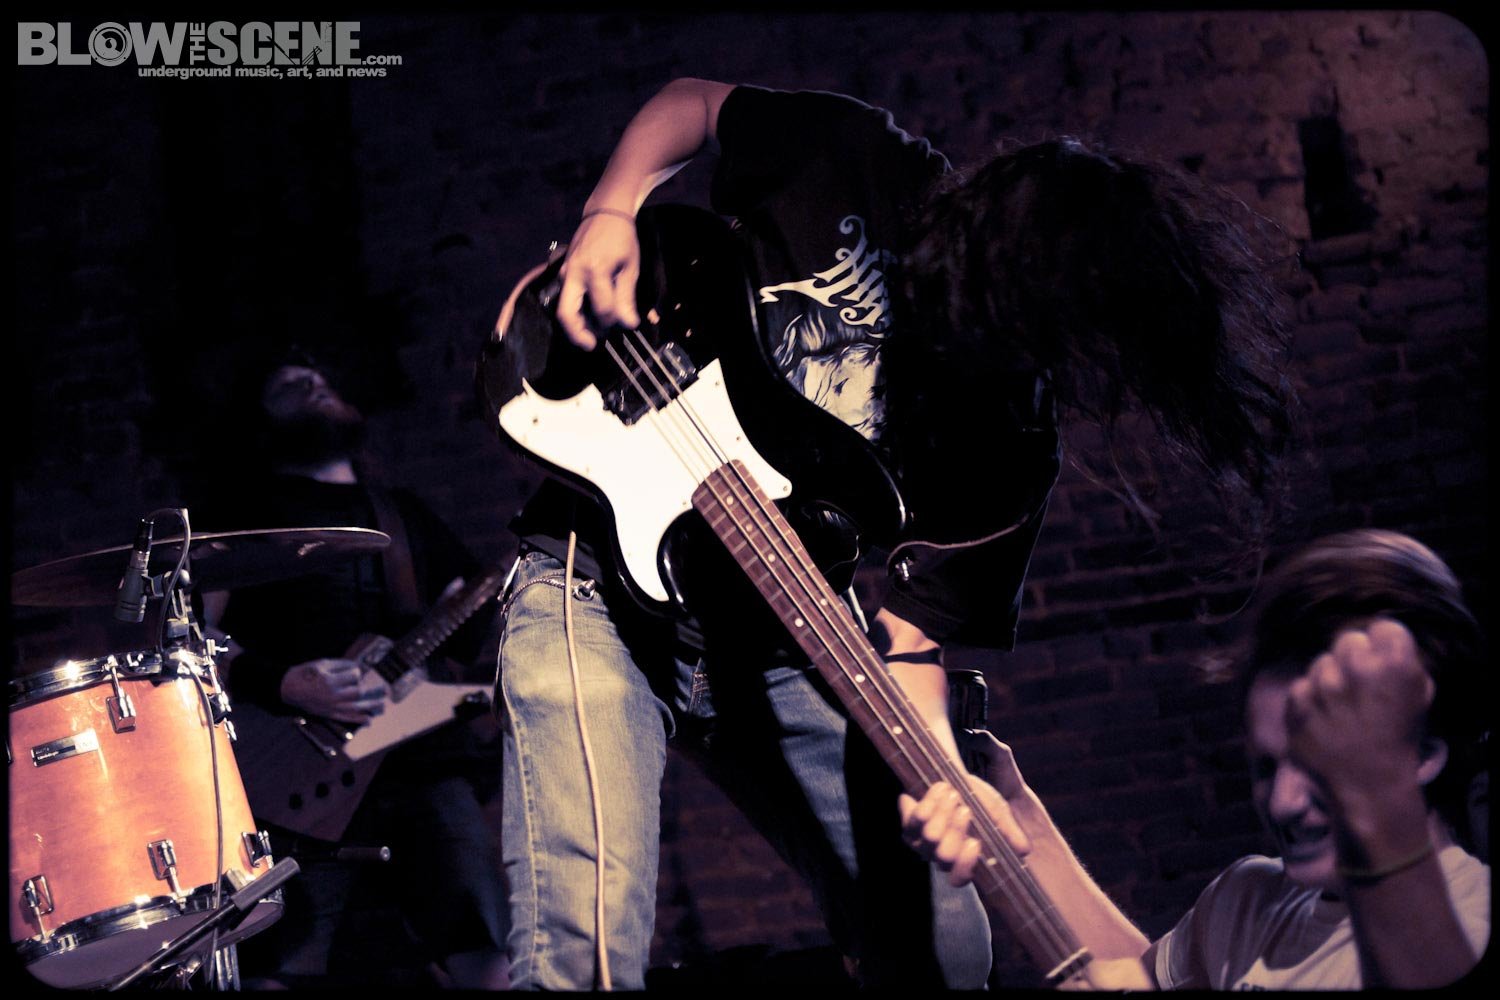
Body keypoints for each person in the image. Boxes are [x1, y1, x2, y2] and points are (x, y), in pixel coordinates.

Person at [494, 77, 1294, 989]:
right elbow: (695, 105)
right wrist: (609, 213)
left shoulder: (1011, 444)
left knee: (946, 951)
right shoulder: (859, 161)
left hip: (787, 625)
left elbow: (911, 650)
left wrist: (942, 779)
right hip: (596, 587)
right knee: (585, 951)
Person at [905, 528, 1490, 989]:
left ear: (1422, 755)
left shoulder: (1475, 922)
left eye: (1321, 770)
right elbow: (1124, 979)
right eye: (1266, 768)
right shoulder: (1250, 900)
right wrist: (1015, 820)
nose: (1283, 803)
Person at [197, 356, 511, 990]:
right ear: (260, 421)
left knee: (484, 948)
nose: (315, 385)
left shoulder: (399, 511)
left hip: (422, 758)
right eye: (290, 385)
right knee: (277, 962)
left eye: (321, 379)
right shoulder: (243, 516)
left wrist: (489, 602)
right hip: (292, 773)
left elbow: (470, 628)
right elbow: (194, 640)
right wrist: (281, 682)